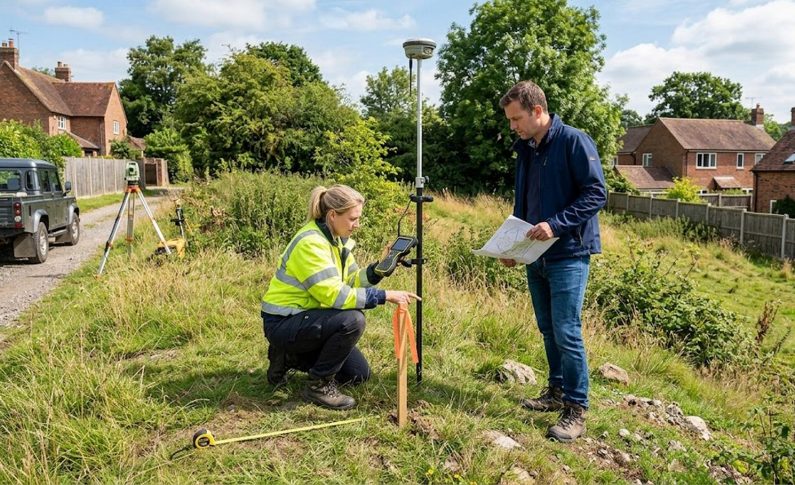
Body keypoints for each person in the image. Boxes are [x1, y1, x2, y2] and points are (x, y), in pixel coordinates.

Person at [498, 80, 607, 442]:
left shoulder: (575, 141)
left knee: (566, 330)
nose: (513, 126)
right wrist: (513, 247)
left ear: (538, 111)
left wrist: (556, 224)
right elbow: (523, 202)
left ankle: (576, 408)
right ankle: (556, 391)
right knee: (547, 328)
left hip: (568, 253)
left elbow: (596, 193)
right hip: (534, 254)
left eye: (516, 119)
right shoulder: (527, 149)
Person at [261, 184, 419, 410]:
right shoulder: (311, 243)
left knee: (358, 375)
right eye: (353, 219)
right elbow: (335, 295)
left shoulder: (337, 240)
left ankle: (287, 357)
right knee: (352, 320)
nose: (357, 225)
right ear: (333, 215)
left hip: (308, 318)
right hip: (283, 322)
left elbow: (351, 281)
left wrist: (378, 269)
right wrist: (384, 296)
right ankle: (318, 386)